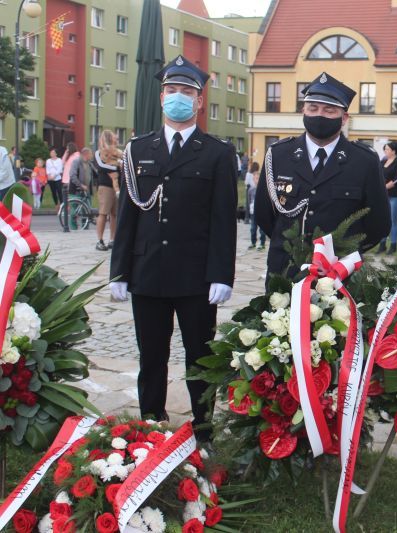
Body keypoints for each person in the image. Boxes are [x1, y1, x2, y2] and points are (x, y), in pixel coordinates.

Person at [109, 54, 238, 441]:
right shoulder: (137, 150)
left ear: (199, 101)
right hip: (147, 271)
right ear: (161, 97)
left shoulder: (217, 152)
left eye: (186, 91)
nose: (177, 96)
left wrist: (221, 274)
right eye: (171, 90)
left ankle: (203, 430)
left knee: (200, 357)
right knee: (151, 356)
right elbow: (127, 215)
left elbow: (223, 219)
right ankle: (151, 424)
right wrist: (119, 271)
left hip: (195, 275)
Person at [255, 71, 390, 283]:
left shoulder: (364, 161)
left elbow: (378, 224)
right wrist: (293, 247)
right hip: (286, 272)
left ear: (344, 118)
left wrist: (343, 255)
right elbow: (264, 215)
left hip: (341, 276)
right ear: (303, 111)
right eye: (313, 108)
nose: (319, 115)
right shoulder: (279, 155)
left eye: (329, 110)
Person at [93, 130, 122, 251]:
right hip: (105, 186)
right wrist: (117, 166)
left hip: (117, 186)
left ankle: (112, 239)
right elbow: (101, 166)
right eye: (114, 137)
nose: (116, 139)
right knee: (103, 213)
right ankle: (99, 240)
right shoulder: (98, 153)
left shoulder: (118, 152)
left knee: (114, 214)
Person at [378, 141, 397, 254]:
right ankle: (382, 244)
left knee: (393, 220)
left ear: (393, 151)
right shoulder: (382, 161)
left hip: (395, 195)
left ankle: (393, 245)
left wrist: (383, 187)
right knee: (382, 219)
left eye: (387, 149)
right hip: (383, 196)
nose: (385, 151)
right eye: (385, 149)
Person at [61, 143, 80, 233]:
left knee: (72, 200)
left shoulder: (76, 156)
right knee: (68, 199)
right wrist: (66, 153)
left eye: (68, 148)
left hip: (70, 180)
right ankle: (71, 218)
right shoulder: (70, 156)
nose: (67, 149)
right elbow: (62, 163)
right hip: (65, 179)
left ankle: (73, 221)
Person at [247, 162, 266, 250]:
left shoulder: (263, 190)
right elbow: (249, 201)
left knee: (262, 229)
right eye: (255, 178)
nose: (256, 180)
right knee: (252, 228)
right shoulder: (250, 190)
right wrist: (248, 211)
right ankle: (253, 242)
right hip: (253, 212)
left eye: (258, 178)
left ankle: (262, 243)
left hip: (261, 212)